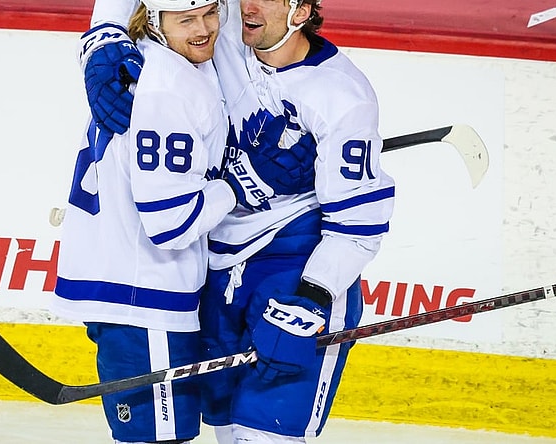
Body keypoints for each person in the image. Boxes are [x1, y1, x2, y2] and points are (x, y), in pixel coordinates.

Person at [78, 0, 395, 442]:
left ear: (301, 11)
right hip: (218, 272)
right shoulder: (220, 32)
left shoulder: (342, 97)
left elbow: (358, 229)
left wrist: (311, 297)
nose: (246, 4)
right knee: (224, 432)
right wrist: (102, 34)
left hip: (292, 269)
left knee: (262, 437)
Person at [52, 1, 316, 443]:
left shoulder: (148, 57)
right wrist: (246, 184)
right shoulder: (169, 85)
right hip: (143, 291)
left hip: (126, 280)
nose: (204, 30)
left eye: (210, 13)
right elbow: (169, 225)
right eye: (186, 19)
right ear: (155, 20)